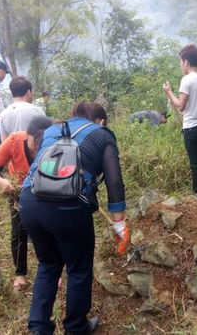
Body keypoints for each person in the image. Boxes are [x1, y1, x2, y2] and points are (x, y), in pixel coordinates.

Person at [18, 102, 129, 335]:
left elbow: (37, 165)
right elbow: (114, 180)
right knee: (78, 269)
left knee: (48, 265)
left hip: (29, 200)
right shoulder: (102, 134)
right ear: (101, 121)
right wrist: (119, 223)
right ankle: (76, 328)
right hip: (68, 206)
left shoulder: (51, 130)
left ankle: (38, 328)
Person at [0, 116, 53, 289]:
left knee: (46, 229)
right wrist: (0, 181)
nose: (36, 148)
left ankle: (49, 269)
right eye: (34, 142)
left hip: (45, 190)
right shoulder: (14, 140)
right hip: (17, 191)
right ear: (28, 135)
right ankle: (20, 272)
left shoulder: (53, 145)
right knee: (19, 229)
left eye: (41, 143)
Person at [163, 44, 197, 196]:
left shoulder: (187, 80)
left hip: (191, 128)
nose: (180, 65)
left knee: (195, 163)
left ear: (186, 62)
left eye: (180, 62)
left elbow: (181, 106)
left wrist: (169, 92)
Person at [0, 76, 46, 141]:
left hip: (14, 150)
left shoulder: (3, 114)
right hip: (35, 150)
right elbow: (46, 136)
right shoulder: (37, 111)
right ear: (28, 92)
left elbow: (4, 142)